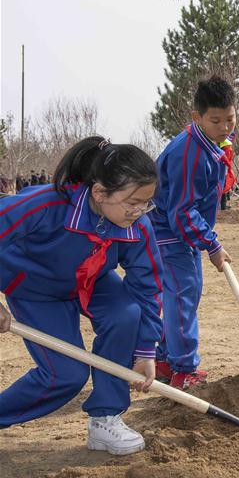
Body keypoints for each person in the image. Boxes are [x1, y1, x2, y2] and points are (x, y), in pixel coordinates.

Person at [0, 137, 163, 455]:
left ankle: (105, 418)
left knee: (126, 313)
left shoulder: (136, 226)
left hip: (92, 282)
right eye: (132, 203)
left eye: (147, 203)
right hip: (36, 289)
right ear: (100, 193)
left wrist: (145, 350)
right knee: (66, 376)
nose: (140, 212)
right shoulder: (44, 205)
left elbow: (147, 286)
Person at [149, 75, 237, 390]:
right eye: (216, 121)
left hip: (179, 234)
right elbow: (182, 212)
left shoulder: (209, 142)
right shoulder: (189, 152)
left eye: (230, 119)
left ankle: (164, 360)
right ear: (196, 117)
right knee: (182, 297)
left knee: (179, 295)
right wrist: (211, 245)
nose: (225, 127)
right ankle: (184, 370)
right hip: (170, 234)